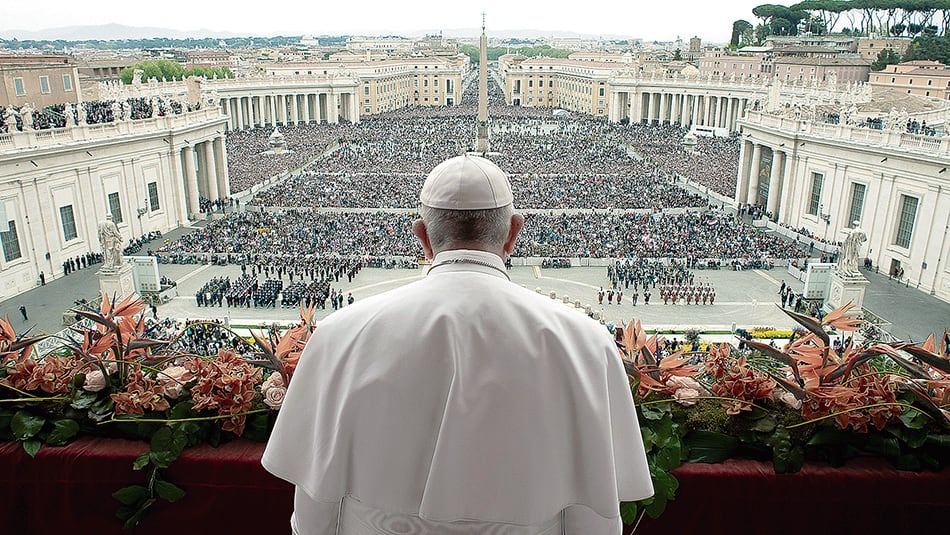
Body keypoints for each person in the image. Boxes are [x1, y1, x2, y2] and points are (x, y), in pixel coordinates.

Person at [263, 154, 653, 534]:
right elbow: (594, 510)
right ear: (513, 232)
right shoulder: (585, 342)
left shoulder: (339, 335)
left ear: (422, 236)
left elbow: (315, 504)